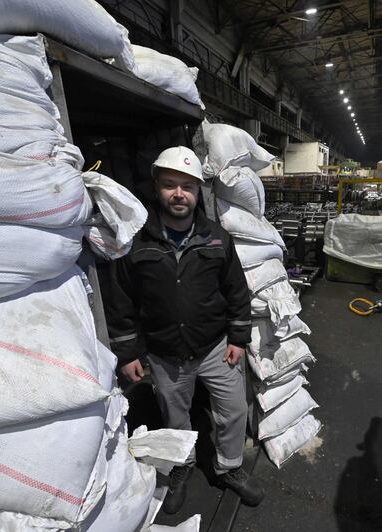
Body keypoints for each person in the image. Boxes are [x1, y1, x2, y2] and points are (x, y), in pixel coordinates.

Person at [102, 146, 264, 514]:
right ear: (157, 187)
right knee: (176, 419)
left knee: (234, 411)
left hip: (214, 348)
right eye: (171, 185)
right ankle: (181, 468)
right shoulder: (135, 243)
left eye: (187, 187)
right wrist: (127, 354)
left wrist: (238, 339)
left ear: (196, 192)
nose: (179, 194)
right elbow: (121, 301)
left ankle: (230, 468)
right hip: (165, 354)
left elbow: (236, 291)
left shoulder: (217, 238)